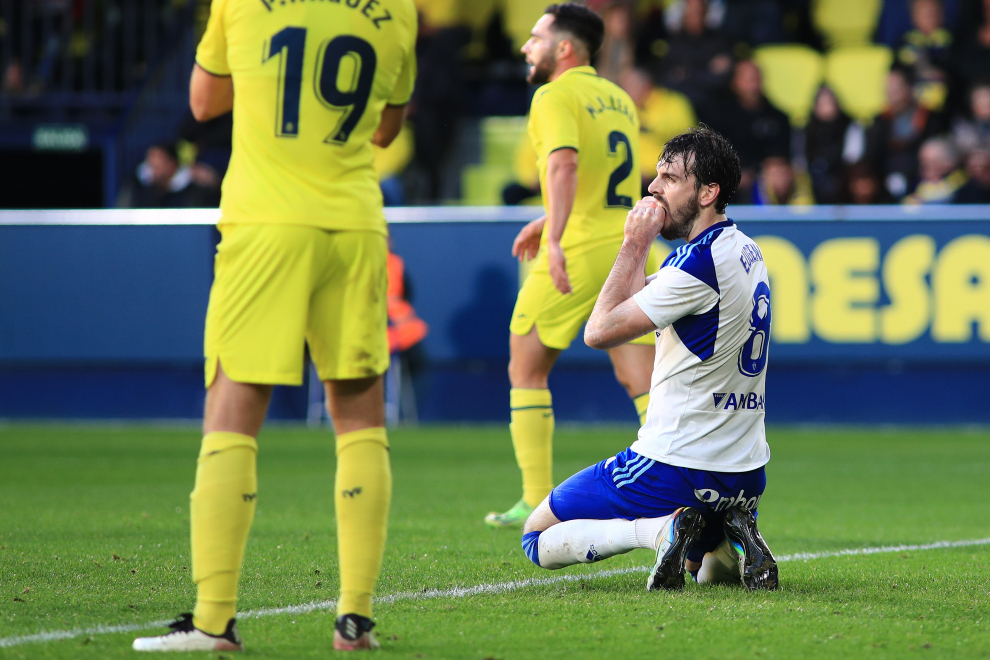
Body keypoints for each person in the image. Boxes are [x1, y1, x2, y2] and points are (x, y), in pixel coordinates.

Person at [132, 0, 416, 652]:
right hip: (353, 225)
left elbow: (203, 104)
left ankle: (214, 621)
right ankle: (355, 620)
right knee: (360, 420)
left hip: (266, 223)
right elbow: (385, 130)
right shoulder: (396, 9)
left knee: (231, 412)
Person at [520, 126, 779, 593]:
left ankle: (660, 530)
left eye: (670, 178)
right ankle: (733, 538)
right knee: (706, 573)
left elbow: (598, 332)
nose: (653, 187)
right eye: (655, 175)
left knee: (536, 538)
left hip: (675, 466)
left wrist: (634, 242)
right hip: (745, 472)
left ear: (707, 192)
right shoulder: (747, 250)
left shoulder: (693, 265)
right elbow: (650, 303)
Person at [485, 4, 658, 529]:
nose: (525, 46)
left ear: (564, 48)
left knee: (526, 363)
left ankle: (534, 498)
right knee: (641, 378)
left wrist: (554, 237)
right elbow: (605, 180)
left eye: (535, 37)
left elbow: (564, 163)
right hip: (626, 245)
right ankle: (675, 483)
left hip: (579, 248)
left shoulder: (554, 94)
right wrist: (549, 218)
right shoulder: (618, 98)